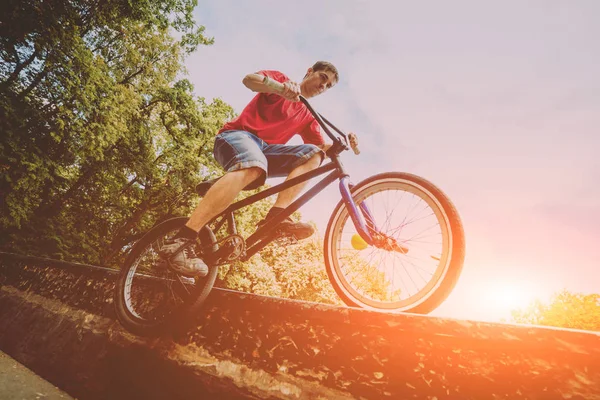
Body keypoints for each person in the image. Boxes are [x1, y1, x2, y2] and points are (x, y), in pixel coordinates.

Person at [161, 61, 356, 277]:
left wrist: (341, 143)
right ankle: (182, 238)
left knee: (315, 154)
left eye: (328, 85)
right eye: (322, 77)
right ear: (310, 72)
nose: (323, 85)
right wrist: (280, 89)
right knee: (255, 164)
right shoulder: (282, 81)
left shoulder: (308, 115)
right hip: (237, 137)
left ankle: (275, 216)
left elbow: (320, 147)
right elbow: (249, 80)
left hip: (265, 152)